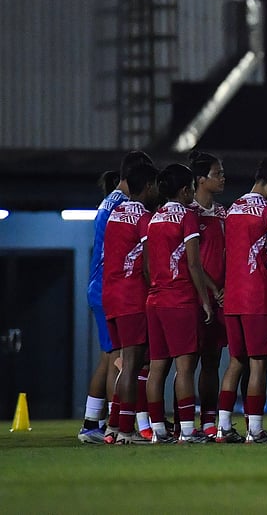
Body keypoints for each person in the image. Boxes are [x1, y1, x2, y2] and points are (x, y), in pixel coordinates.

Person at [217, 155, 267, 443]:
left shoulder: (233, 207)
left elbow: (227, 252)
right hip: (256, 295)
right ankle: (255, 429)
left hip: (233, 295)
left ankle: (223, 427)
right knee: (259, 363)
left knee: (235, 362)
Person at [78, 150, 153, 444]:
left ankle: (92, 423)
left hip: (103, 285)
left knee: (110, 357)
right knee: (121, 361)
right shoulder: (125, 206)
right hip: (114, 286)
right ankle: (118, 426)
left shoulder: (110, 202)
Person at [142, 163, 217, 443]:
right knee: (185, 368)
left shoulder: (154, 218)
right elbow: (194, 263)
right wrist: (205, 299)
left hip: (155, 299)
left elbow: (147, 264)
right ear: (186, 190)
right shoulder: (186, 217)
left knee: (157, 367)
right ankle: (186, 430)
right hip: (180, 299)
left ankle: (157, 430)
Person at [100, 162, 158, 444]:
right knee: (133, 366)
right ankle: (125, 430)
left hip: (110, 295)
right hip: (132, 295)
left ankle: (112, 427)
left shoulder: (116, 213)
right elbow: (148, 264)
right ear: (148, 186)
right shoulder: (144, 218)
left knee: (125, 365)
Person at [188, 150, 228, 437]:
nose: (223, 177)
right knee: (187, 360)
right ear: (200, 179)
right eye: (217, 173)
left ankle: (210, 420)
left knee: (213, 359)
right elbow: (191, 262)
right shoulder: (187, 213)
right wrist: (211, 288)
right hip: (193, 297)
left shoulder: (224, 213)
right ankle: (183, 422)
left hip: (221, 298)